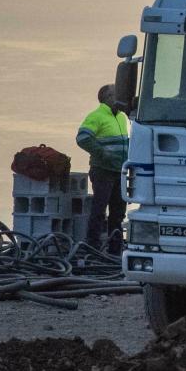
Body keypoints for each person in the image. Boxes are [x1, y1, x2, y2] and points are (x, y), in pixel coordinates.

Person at [77, 84, 129, 254]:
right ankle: (93, 247)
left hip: (119, 171)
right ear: (107, 98)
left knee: (118, 213)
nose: (119, 97)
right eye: (115, 94)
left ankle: (115, 250)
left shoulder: (121, 117)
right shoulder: (97, 116)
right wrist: (102, 153)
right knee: (99, 210)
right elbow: (83, 138)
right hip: (103, 170)